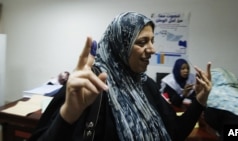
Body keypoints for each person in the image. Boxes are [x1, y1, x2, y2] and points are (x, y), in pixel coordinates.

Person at [28, 11, 212, 141]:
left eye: (152, 41)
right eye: (142, 42)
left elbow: (175, 133)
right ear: (119, 46)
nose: (152, 49)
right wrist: (67, 115)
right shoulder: (90, 86)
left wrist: (199, 102)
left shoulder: (146, 85)